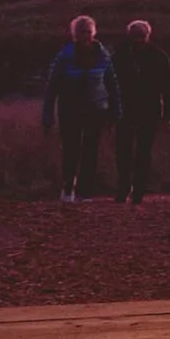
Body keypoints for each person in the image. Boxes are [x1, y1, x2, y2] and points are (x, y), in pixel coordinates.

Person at [40, 13, 118, 203]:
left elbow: (112, 85)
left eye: (88, 32)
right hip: (70, 110)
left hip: (96, 110)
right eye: (82, 32)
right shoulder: (64, 57)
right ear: (75, 34)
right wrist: (47, 115)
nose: (85, 35)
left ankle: (85, 191)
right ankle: (68, 188)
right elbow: (52, 87)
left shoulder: (103, 56)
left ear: (94, 33)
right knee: (71, 150)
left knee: (91, 151)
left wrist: (116, 111)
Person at [114, 16, 170, 203]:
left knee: (143, 151)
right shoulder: (120, 55)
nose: (138, 40)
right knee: (123, 151)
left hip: (148, 110)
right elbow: (110, 84)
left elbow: (168, 88)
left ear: (148, 36)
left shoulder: (159, 57)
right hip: (125, 109)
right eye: (135, 36)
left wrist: (169, 115)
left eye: (141, 36)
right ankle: (124, 187)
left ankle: (138, 190)